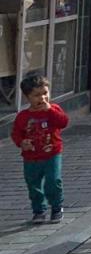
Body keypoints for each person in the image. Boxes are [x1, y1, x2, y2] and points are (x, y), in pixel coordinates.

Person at [11, 73, 69, 224]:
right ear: (27, 97)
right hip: (31, 157)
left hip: (52, 153)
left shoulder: (54, 109)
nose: (42, 98)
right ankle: (39, 210)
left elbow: (63, 122)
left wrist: (50, 110)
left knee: (53, 181)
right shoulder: (23, 116)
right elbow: (16, 133)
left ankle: (57, 207)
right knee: (33, 184)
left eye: (45, 93)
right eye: (37, 95)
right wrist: (21, 142)